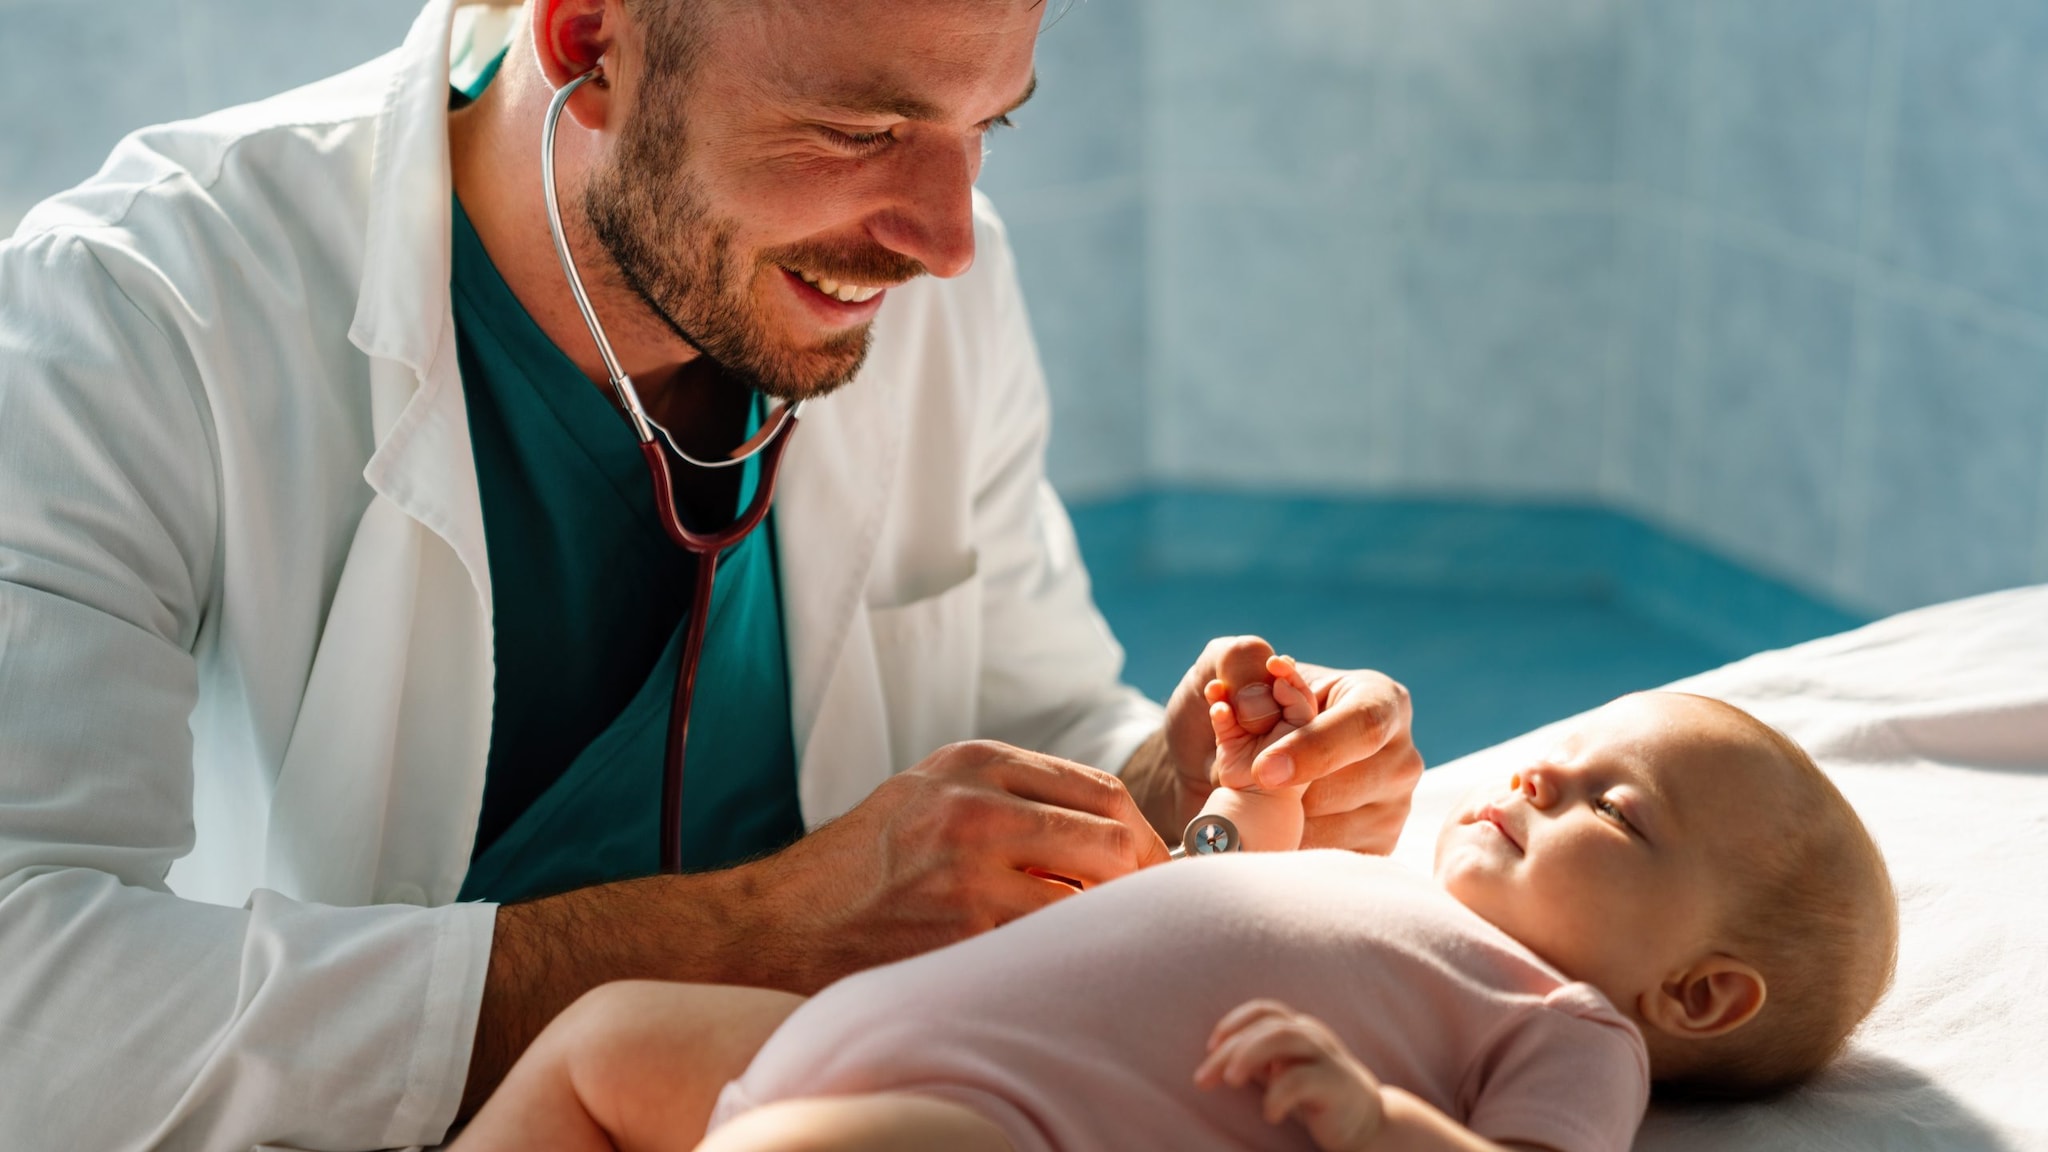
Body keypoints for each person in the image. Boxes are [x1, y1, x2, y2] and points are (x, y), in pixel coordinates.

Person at [0, 1, 1425, 1148]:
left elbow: (1033, 715)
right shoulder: (134, 311)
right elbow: (29, 1003)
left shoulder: (930, 282)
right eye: (858, 127)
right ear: (586, 44)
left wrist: (1174, 794)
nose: (940, 237)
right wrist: (760, 933)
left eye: (984, 126)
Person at [448, 686, 1899, 1152]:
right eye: (1563, 751)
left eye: (1613, 808)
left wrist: (1388, 1126)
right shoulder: (1379, 893)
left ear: (1699, 995)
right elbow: (1189, 900)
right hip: (836, 1033)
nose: (1539, 772)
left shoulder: (1570, 1028)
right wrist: (1245, 806)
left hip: (993, 1125)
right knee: (603, 1035)